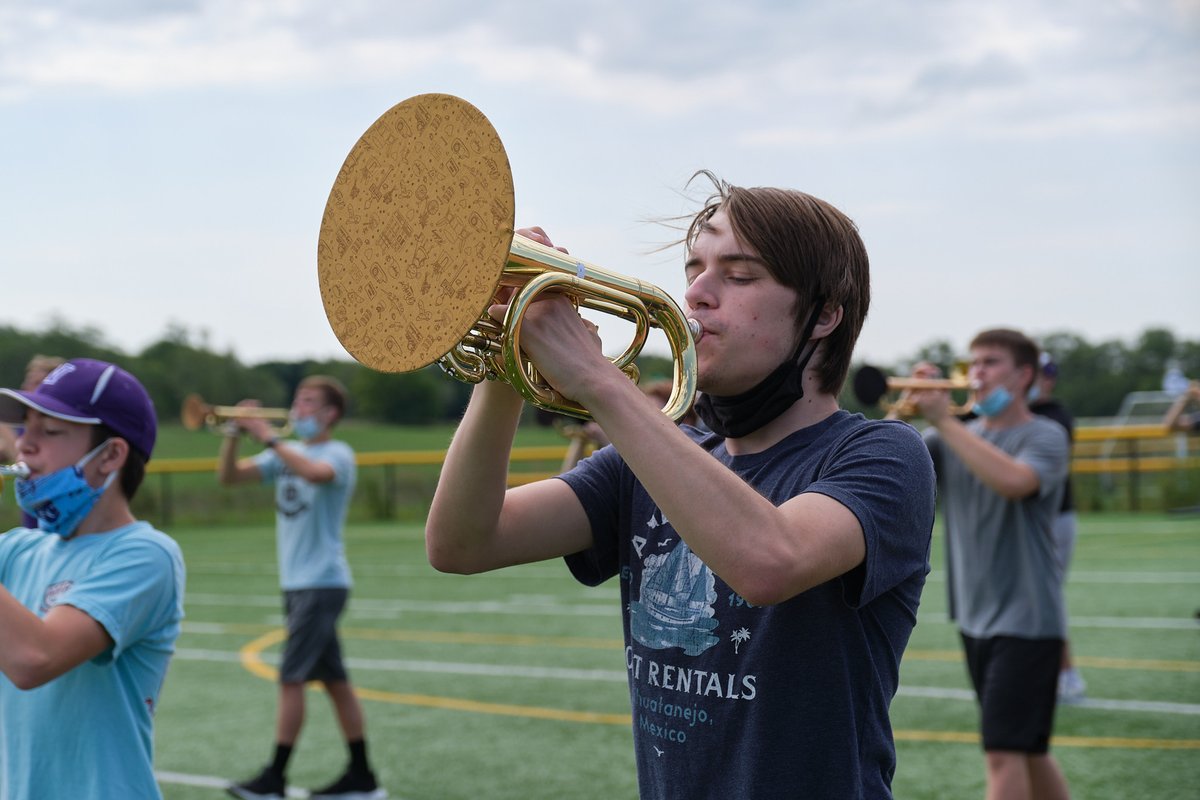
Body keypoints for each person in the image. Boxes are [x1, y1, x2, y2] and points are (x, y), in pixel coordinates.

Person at [425, 174, 937, 798]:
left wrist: (593, 377)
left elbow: (769, 561)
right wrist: (508, 363)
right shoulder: (651, 458)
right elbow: (463, 543)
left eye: (740, 275)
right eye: (694, 268)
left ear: (825, 313)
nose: (695, 293)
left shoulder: (881, 453)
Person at [0, 358, 186, 798]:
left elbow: (35, 658)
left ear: (111, 455)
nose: (25, 447)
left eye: (50, 431)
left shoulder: (147, 555)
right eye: (27, 428)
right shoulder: (17, 549)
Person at [906, 329, 1072, 800]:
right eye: (974, 362)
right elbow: (899, 462)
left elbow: (1015, 482)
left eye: (991, 363)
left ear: (1023, 376)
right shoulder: (953, 436)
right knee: (1028, 750)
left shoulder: (1046, 434)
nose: (977, 372)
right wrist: (914, 411)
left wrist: (948, 422)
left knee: (1002, 753)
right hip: (976, 617)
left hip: (1028, 618)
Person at [218, 375, 385, 800]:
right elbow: (229, 478)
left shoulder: (337, 453)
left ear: (330, 414)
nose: (298, 408)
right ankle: (362, 777)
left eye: (308, 402)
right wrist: (233, 436)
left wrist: (268, 437)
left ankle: (274, 778)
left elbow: (313, 472)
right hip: (298, 584)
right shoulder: (287, 455)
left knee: (291, 678)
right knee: (335, 682)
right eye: (297, 399)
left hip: (321, 582)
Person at [1027, 353, 1086, 704]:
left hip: (1054, 518)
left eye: (1043, 375)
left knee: (1045, 597)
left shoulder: (1056, 417)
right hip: (1023, 519)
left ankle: (1067, 674)